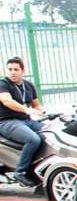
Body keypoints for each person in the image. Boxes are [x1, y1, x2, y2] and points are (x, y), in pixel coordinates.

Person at [0, 57, 44, 187]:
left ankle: (38, 167)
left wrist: (44, 112)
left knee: (49, 131)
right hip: (7, 122)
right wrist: (26, 109)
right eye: (10, 69)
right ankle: (20, 172)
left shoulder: (29, 85)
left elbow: (37, 105)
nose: (12, 72)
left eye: (16, 69)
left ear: (23, 71)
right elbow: (7, 101)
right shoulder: (3, 84)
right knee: (33, 139)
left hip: (26, 120)